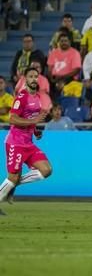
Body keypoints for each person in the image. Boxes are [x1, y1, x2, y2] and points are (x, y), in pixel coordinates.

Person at [0, 68, 52, 209]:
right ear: (25, 79)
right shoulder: (22, 97)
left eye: (36, 76)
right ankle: (11, 184)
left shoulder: (37, 98)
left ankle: (13, 183)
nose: (34, 79)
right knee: (12, 177)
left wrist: (35, 131)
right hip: (15, 143)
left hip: (28, 144)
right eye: (31, 76)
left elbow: (29, 118)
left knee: (46, 170)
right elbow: (13, 119)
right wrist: (34, 121)